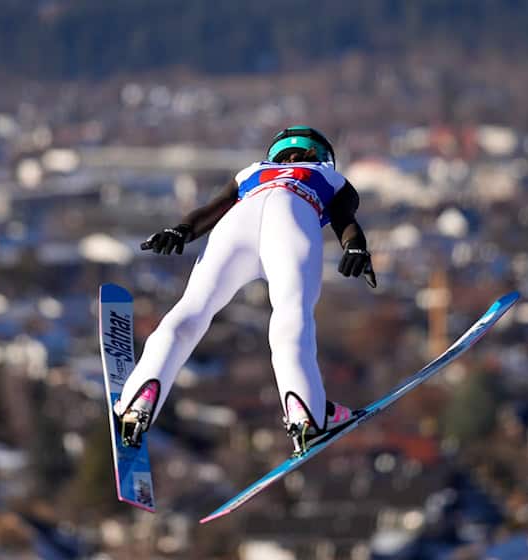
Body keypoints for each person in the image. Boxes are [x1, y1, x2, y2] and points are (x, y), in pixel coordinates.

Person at [114, 126, 375, 454]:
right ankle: (306, 411)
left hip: (237, 222)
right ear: (324, 156)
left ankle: (138, 398)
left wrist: (179, 231)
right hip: (293, 212)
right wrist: (355, 249)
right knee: (290, 312)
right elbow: (344, 218)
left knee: (192, 309)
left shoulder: (253, 171)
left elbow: (214, 208)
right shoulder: (328, 176)